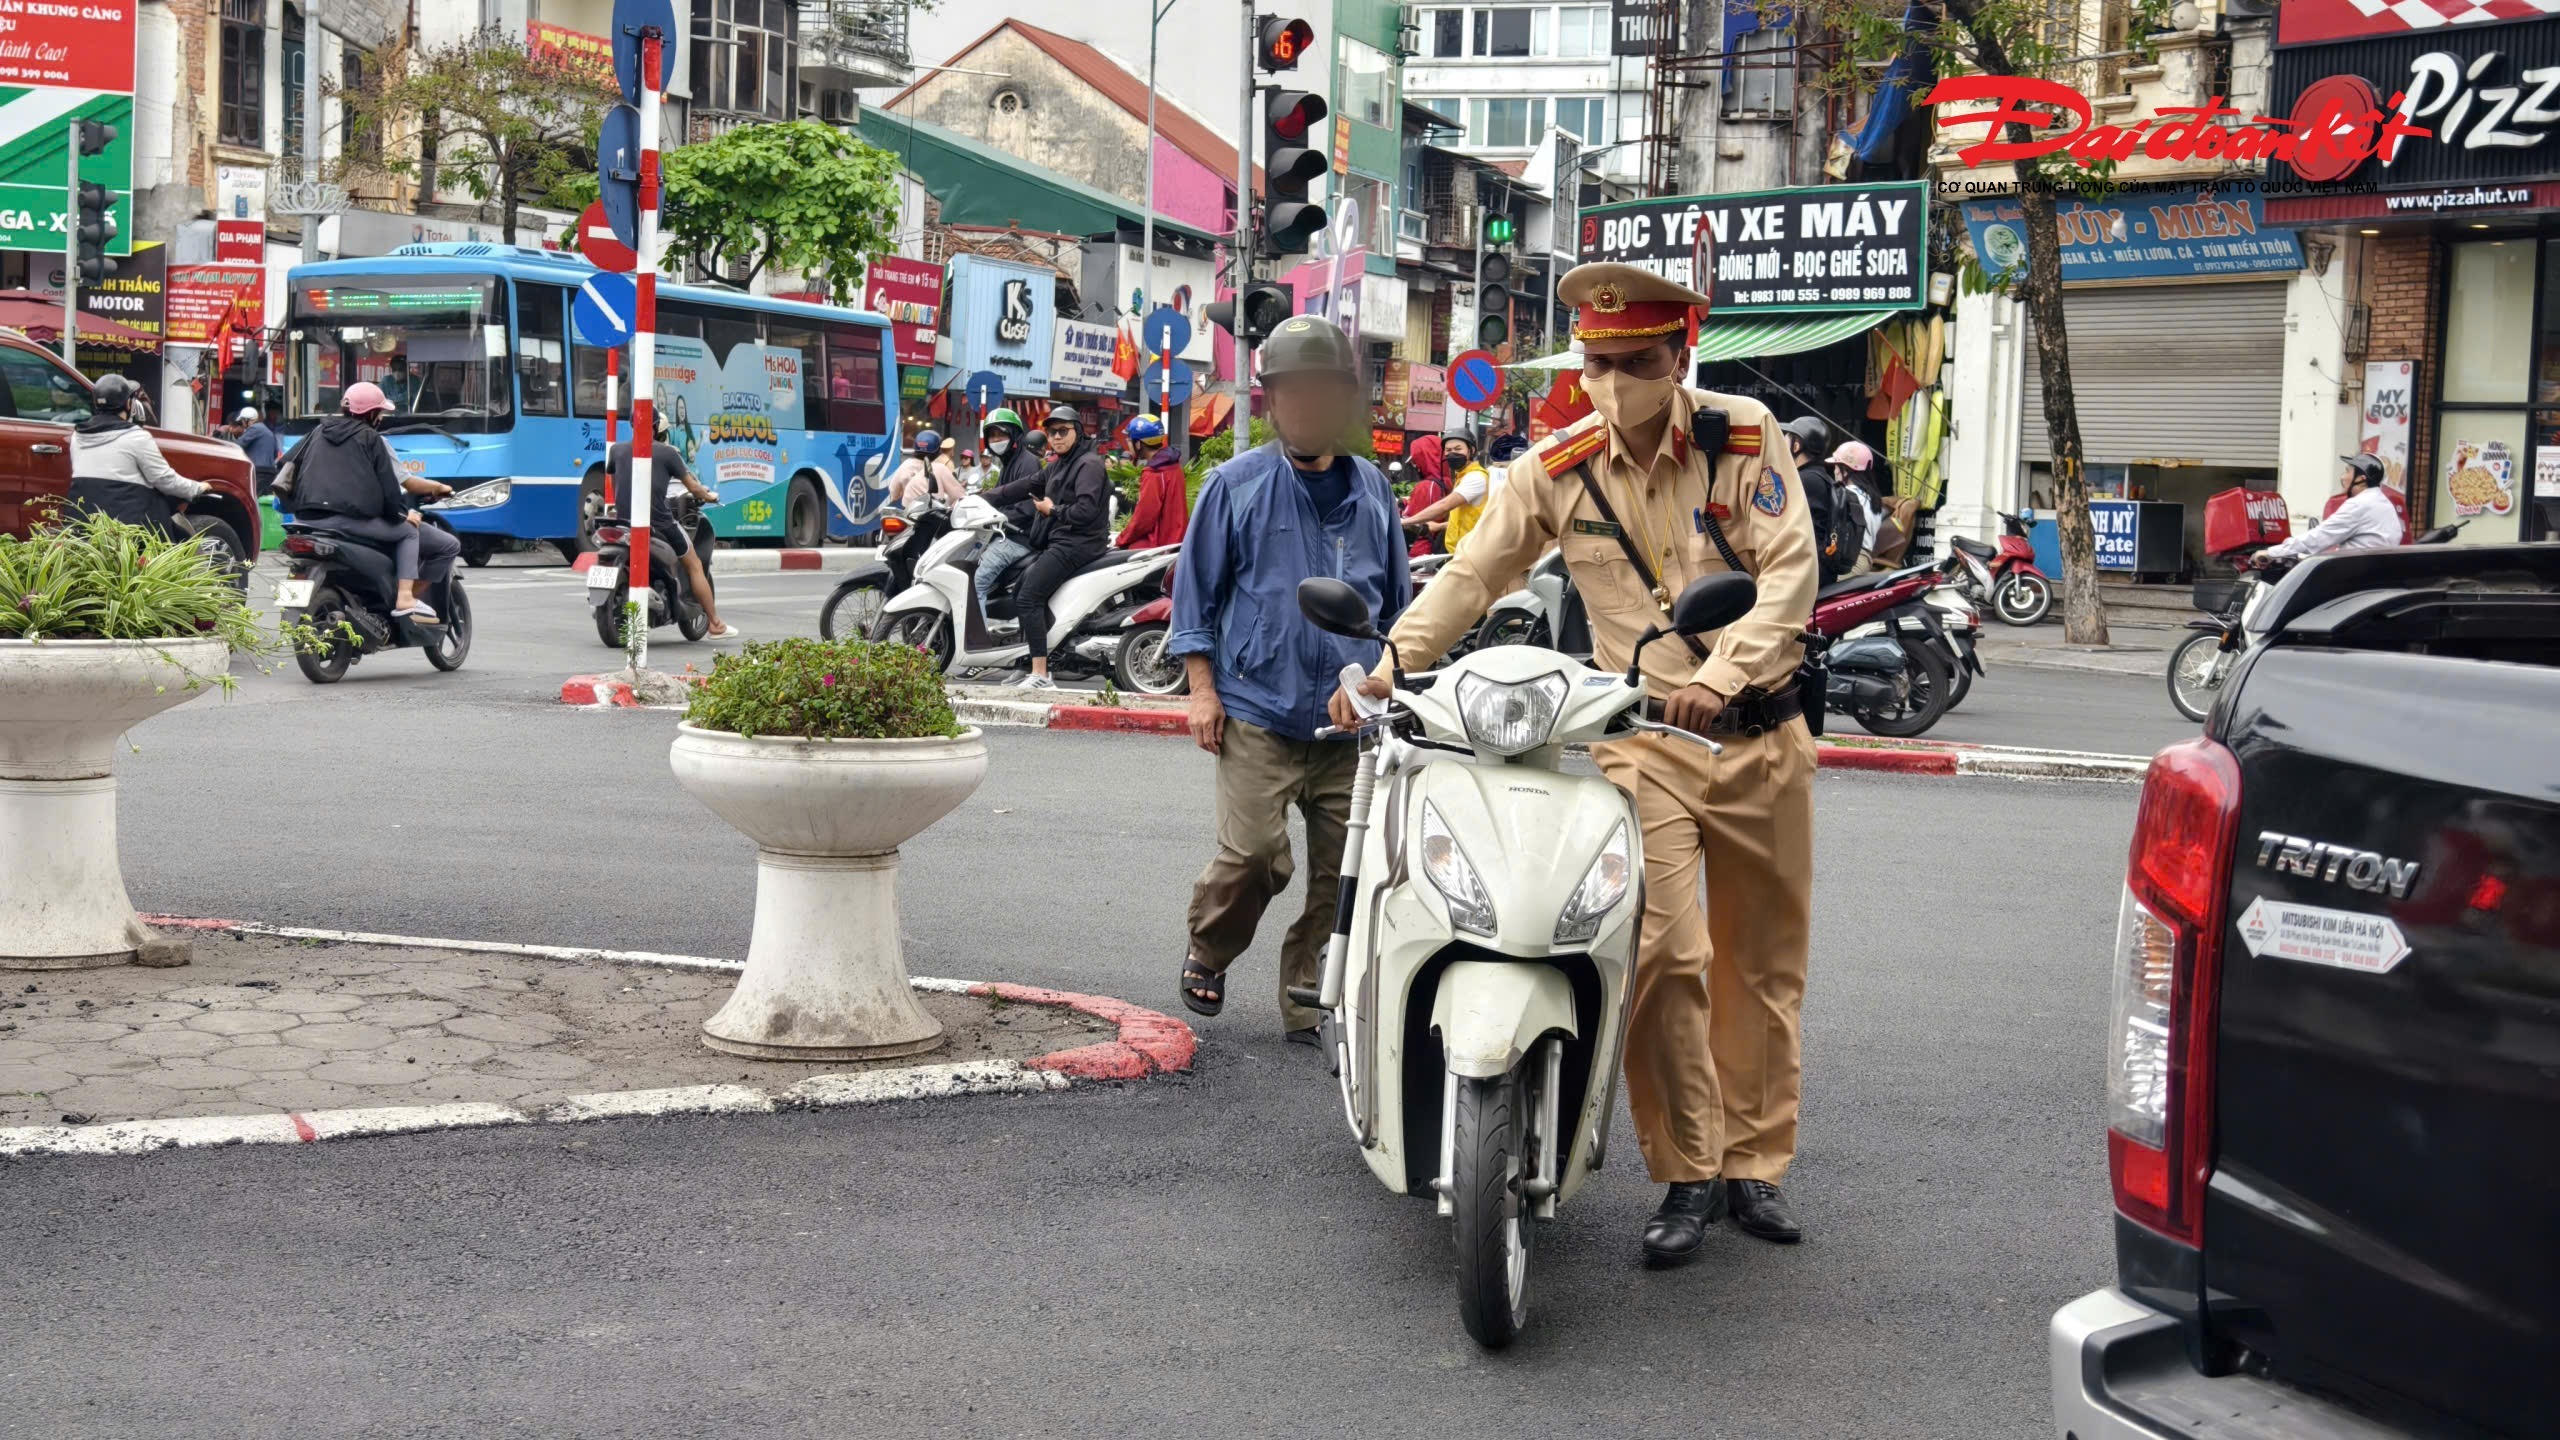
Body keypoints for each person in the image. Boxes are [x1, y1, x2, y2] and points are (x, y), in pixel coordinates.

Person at [1336, 262, 1820, 1261]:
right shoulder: (1558, 466)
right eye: (1595, 364)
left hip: (1760, 735)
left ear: (1678, 355)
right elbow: (1475, 572)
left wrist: (1722, 675)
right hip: (1642, 746)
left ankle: (1753, 1168)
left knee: (1760, 968)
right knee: (1667, 958)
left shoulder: (1742, 437)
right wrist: (1389, 666)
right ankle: (1688, 1169)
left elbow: (1787, 576)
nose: (1610, 384)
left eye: (1633, 362)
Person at [1169, 315, 1411, 1046]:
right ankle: (1210, 949)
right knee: (1253, 855)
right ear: (1271, 402)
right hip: (1257, 709)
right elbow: (1195, 597)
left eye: (1322, 392)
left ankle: (1308, 993)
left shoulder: (1373, 491)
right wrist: (1203, 691)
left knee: (1345, 873)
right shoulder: (1233, 487)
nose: (1306, 407)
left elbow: (1397, 609)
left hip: (1350, 724)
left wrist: (1380, 682)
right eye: (1290, 394)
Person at [281, 381, 458, 620]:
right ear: (372, 414)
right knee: (409, 532)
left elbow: (285, 466)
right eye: (380, 412)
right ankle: (405, 598)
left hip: (305, 519)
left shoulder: (316, 432)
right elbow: (390, 487)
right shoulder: (371, 438)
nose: (382, 418)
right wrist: (403, 516)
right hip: (345, 521)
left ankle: (291, 606)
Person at [608, 406, 738, 639]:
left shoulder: (616, 450)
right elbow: (693, 487)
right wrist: (708, 496)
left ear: (631, 425)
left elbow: (614, 481)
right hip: (659, 523)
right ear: (657, 427)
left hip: (622, 521)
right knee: (694, 564)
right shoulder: (667, 453)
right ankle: (716, 624)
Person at [1009, 406, 1111, 689]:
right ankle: (1029, 660)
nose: (1056, 437)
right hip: (1062, 541)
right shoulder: (1058, 465)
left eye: (1062, 431)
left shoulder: (1088, 464)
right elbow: (1024, 486)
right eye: (1051, 432)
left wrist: (1053, 512)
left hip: (1078, 543)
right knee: (1019, 590)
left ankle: (1041, 674)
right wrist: (980, 498)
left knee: (1029, 597)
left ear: (1077, 432)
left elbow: (1086, 511)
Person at [67, 374, 205, 539]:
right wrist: (196, 488)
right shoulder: (136, 437)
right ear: (128, 403)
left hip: (81, 524)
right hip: (128, 530)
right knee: (176, 533)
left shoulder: (78, 436)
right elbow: (164, 479)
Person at [2258, 454, 2404, 563]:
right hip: (2370, 571)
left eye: (2348, 471)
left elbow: (2320, 537)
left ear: (2361, 479)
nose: (2343, 477)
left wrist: (2271, 553)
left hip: (2353, 575)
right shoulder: (2382, 502)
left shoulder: (2360, 504)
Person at [973, 407, 1046, 625]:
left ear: (1014, 435)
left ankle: (977, 641)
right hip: (1005, 535)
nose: (996, 440)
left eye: (1001, 435)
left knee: (976, 584)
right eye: (992, 435)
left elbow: (1029, 507)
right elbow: (999, 498)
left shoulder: (1027, 462)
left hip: (1018, 539)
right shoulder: (1008, 463)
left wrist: (1000, 516)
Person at [1784, 416, 1858, 588]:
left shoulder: (1805, 480)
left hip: (1805, 571)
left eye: (1786, 437)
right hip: (1818, 569)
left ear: (1796, 446)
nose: (1782, 443)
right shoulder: (1820, 477)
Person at [1402, 430, 1489, 548]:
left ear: (1471, 450)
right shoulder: (1461, 477)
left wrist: (1407, 521)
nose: (1452, 454)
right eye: (1448, 450)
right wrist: (1439, 526)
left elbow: (1444, 505)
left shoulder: (1475, 477)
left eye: (1458, 449)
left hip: (1469, 551)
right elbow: (1461, 518)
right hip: (1458, 549)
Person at [1115, 414, 1189, 551]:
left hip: (1158, 548)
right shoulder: (1173, 465)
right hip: (1177, 542)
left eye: (1130, 441)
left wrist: (1120, 540)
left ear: (1139, 443)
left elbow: (1144, 519)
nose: (1128, 445)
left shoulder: (1154, 473)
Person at [886, 429, 962, 507]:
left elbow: (893, 493)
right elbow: (958, 495)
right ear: (938, 451)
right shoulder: (940, 468)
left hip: (909, 512)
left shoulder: (905, 465)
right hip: (933, 512)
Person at [232, 406, 280, 493]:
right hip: (270, 472)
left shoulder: (255, 428)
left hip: (258, 472)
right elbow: (275, 453)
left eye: (242, 420)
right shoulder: (268, 431)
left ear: (247, 420)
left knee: (254, 498)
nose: (242, 423)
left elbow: (238, 445)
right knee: (263, 499)